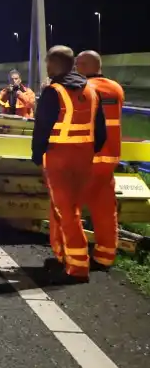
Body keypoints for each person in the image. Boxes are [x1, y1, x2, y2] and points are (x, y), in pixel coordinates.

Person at [31, 45, 107, 284]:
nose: (47, 67)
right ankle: (62, 254)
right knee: (63, 207)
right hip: (84, 159)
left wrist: (37, 154)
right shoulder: (92, 91)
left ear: (54, 64)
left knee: (67, 211)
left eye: (48, 63)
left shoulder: (54, 92)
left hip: (59, 159)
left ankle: (78, 266)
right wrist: (86, 151)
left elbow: (42, 128)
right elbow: (101, 131)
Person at [75, 50, 124, 271]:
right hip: (108, 160)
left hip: (84, 159)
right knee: (105, 209)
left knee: (69, 208)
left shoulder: (82, 90)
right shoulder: (116, 89)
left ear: (82, 66)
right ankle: (105, 256)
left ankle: (72, 256)